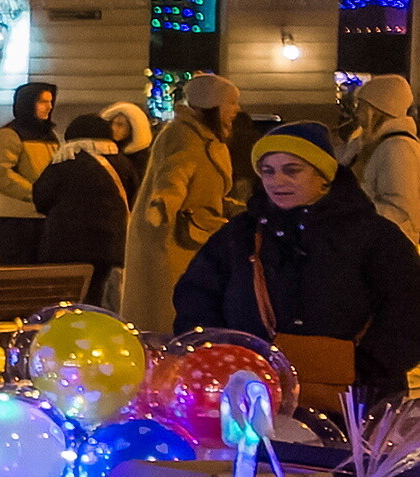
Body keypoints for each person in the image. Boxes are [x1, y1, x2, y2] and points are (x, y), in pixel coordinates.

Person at [172, 121, 420, 417]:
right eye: (268, 171)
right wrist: (218, 355)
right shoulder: (239, 234)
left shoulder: (374, 236)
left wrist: (367, 367)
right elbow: (197, 296)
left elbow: (408, 307)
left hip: (356, 399)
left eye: (292, 170)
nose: (278, 181)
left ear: (323, 176)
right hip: (254, 392)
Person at [120, 74, 240, 336]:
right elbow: (174, 175)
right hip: (174, 238)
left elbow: (202, 186)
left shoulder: (206, 136)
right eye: (231, 103)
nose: (236, 110)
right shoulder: (184, 135)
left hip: (196, 234)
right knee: (168, 310)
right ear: (212, 105)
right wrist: (162, 206)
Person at [34, 114, 134, 306]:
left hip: (65, 247)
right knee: (100, 297)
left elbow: (41, 198)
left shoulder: (64, 162)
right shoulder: (123, 164)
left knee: (68, 300)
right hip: (111, 246)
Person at [0, 79, 59, 267]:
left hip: (44, 215)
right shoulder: (9, 135)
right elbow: (1, 174)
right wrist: (36, 194)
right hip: (17, 217)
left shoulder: (50, 135)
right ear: (28, 103)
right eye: (42, 102)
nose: (49, 107)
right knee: (18, 270)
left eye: (51, 101)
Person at [346, 75, 420, 251]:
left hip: (387, 247)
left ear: (376, 110)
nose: (356, 112)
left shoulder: (398, 147)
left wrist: (351, 211)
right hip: (370, 241)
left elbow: (402, 210)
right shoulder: (368, 144)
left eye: (361, 106)